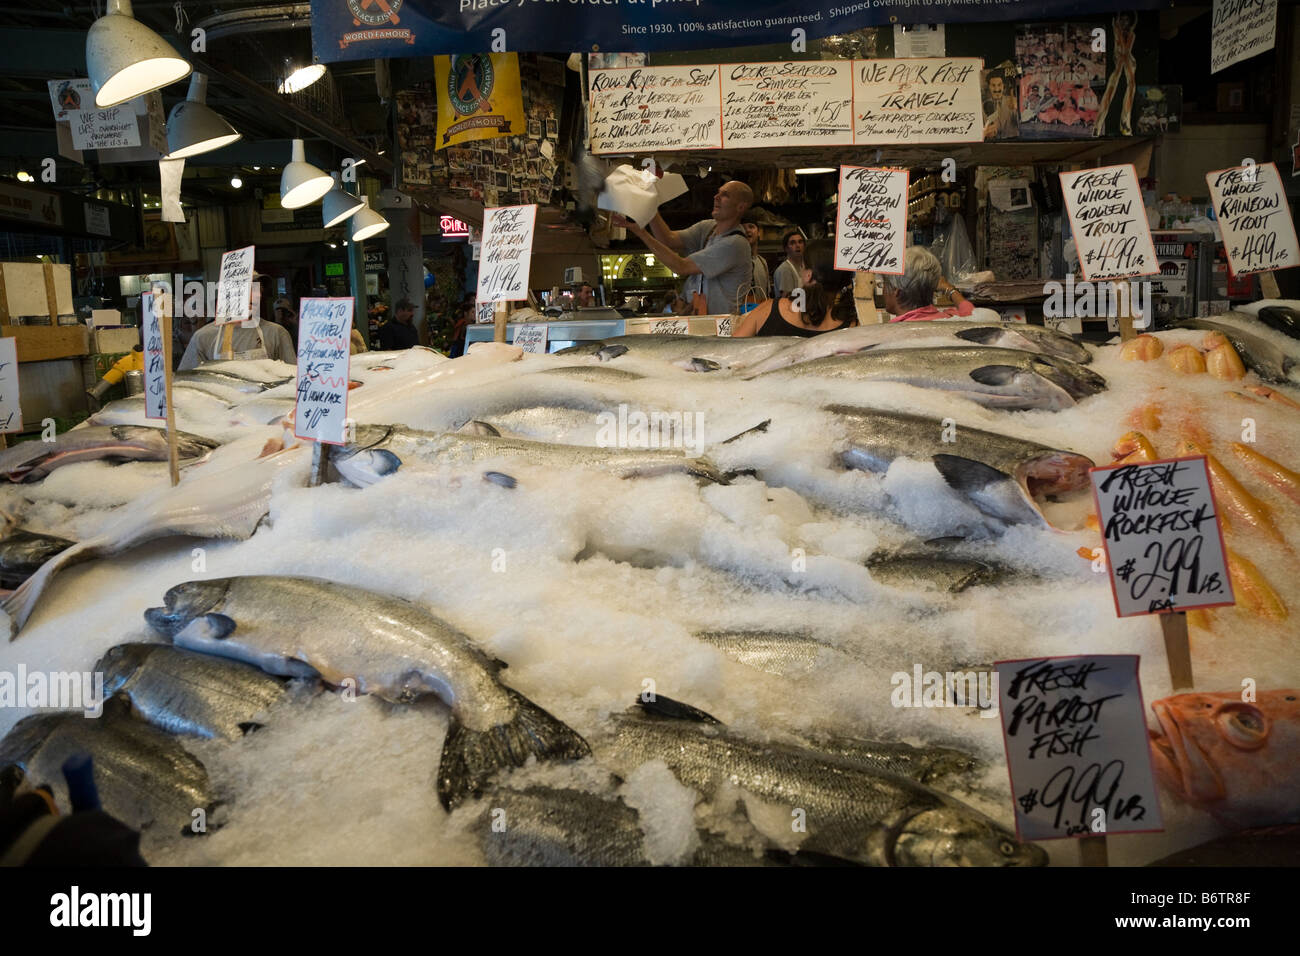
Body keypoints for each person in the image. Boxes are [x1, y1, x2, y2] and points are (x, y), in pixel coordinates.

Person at [611, 180, 754, 315]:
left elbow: (681, 267)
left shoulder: (736, 244)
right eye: (718, 192)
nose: (716, 197)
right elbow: (668, 240)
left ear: (740, 207)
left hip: (725, 326)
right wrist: (649, 206)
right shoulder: (708, 228)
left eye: (725, 195)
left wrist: (640, 232)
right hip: (703, 322)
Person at [731, 239, 857, 338]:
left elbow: (732, 350)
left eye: (802, 266)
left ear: (808, 276)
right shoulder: (853, 324)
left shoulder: (768, 309)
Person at [178, 273, 296, 370]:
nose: (256, 295)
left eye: (258, 289)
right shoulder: (203, 337)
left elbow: (293, 382)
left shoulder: (276, 333)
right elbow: (187, 384)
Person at [882, 246, 983, 322]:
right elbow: (969, 311)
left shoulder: (886, 336)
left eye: (884, 284)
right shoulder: (953, 320)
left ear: (896, 291)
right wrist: (949, 288)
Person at [983, 73, 1019, 139]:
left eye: (999, 85)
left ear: (1003, 86)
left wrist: (1017, 109)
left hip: (1013, 142)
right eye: (993, 85)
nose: (997, 89)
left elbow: (1021, 124)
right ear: (989, 87)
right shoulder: (983, 105)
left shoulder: (1013, 100)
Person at [772, 230, 806, 298]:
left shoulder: (804, 266)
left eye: (800, 242)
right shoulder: (785, 269)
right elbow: (786, 299)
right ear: (786, 248)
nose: (797, 245)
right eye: (792, 243)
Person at [743, 221, 769, 298]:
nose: (747, 230)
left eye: (751, 227)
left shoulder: (762, 262)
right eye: (743, 228)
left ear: (759, 232)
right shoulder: (736, 262)